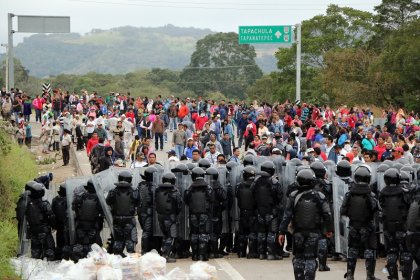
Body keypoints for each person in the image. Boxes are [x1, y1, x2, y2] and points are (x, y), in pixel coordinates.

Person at [279, 169, 332, 280]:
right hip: (314, 232)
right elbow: (327, 214)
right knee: (311, 259)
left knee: (298, 258)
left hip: (298, 232)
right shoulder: (320, 196)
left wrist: (282, 232)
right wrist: (329, 230)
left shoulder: (293, 196)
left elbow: (287, 215)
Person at [340, 166, 381, 280]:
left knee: (352, 250)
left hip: (353, 225)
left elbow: (343, 210)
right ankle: (370, 275)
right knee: (370, 250)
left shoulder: (349, 194)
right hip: (367, 226)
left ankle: (350, 275)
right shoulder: (371, 195)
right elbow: (377, 210)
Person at [378, 168, 412, 280]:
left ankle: (393, 277)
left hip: (388, 227)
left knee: (391, 253)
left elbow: (380, 210)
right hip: (403, 227)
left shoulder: (382, 194)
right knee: (406, 253)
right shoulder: (404, 192)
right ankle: (406, 277)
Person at [254, 161, 283, 260]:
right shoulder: (275, 182)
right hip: (272, 212)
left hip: (260, 211)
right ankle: (271, 254)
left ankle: (261, 254)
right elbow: (280, 197)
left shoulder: (256, 182)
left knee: (261, 233)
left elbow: (253, 195)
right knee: (272, 233)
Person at [106, 171, 140, 256]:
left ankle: (118, 256)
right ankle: (130, 257)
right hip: (129, 219)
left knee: (118, 239)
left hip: (116, 219)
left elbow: (108, 202)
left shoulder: (112, 191)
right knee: (130, 239)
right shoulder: (134, 191)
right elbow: (138, 203)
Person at [185, 167, 214, 261]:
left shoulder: (190, 188)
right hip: (204, 213)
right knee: (203, 234)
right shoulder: (208, 187)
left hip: (193, 213)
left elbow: (186, 200)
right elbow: (212, 199)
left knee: (194, 234)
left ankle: (194, 255)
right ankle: (202, 255)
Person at [72, 179, 104, 262]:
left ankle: (78, 262)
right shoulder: (98, 198)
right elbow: (102, 212)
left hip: (81, 225)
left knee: (79, 245)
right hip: (93, 225)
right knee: (96, 245)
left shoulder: (81, 197)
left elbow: (74, 208)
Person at [155, 173, 183, 262]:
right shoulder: (175, 191)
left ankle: (164, 253)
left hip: (160, 216)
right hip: (171, 216)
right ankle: (166, 256)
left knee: (165, 235)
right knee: (171, 236)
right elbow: (179, 205)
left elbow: (156, 202)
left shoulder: (158, 190)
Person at [25, 182, 56, 260]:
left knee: (35, 254)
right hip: (44, 231)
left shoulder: (28, 204)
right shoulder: (45, 204)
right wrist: (54, 226)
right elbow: (51, 217)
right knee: (50, 252)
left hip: (33, 232)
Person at [236, 166, 258, 258]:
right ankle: (252, 252)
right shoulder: (256, 185)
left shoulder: (239, 186)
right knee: (252, 232)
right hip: (253, 212)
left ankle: (241, 252)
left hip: (243, 211)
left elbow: (237, 196)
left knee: (242, 233)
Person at [206, 167, 227, 259]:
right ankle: (214, 252)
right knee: (215, 233)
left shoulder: (204, 186)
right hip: (216, 212)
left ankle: (208, 251)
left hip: (206, 213)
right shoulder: (218, 187)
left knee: (207, 232)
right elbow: (224, 197)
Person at [138, 166, 158, 254]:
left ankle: (147, 249)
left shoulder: (141, 185)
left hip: (141, 211)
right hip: (149, 212)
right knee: (148, 231)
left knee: (146, 231)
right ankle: (145, 250)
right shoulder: (153, 186)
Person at [52, 183, 71, 260]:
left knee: (59, 242)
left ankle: (59, 257)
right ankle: (66, 257)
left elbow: (52, 213)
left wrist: (53, 225)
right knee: (67, 242)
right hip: (67, 225)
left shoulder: (55, 200)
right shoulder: (68, 200)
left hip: (59, 225)